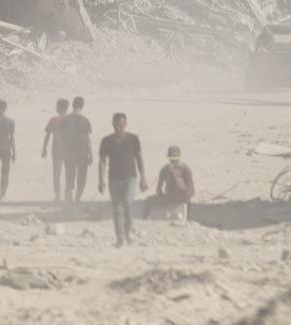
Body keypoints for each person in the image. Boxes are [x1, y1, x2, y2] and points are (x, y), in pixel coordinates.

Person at [98, 112, 146, 246]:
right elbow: (102, 161)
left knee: (127, 202)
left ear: (125, 124)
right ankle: (120, 238)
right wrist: (101, 180)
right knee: (117, 209)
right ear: (113, 125)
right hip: (113, 179)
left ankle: (129, 230)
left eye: (121, 125)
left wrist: (143, 178)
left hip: (130, 177)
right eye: (116, 125)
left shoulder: (133, 139)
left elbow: (139, 159)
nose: (119, 127)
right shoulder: (106, 141)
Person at [144, 146, 194, 221]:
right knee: (189, 203)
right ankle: (187, 218)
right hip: (183, 199)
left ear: (169, 158)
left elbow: (158, 190)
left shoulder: (165, 169)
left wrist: (163, 196)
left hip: (170, 197)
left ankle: (145, 218)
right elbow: (190, 189)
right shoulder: (186, 169)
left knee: (148, 200)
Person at [61, 96, 94, 202]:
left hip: (69, 151)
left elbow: (62, 138)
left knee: (69, 173)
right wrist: (91, 154)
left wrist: (63, 151)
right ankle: (78, 198)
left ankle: (69, 194)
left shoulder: (65, 120)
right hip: (83, 151)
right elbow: (88, 139)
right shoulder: (85, 121)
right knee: (82, 175)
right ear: (82, 106)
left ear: (72, 105)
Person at [41, 98, 69, 201]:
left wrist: (44, 149)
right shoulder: (70, 119)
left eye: (57, 106)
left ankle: (57, 196)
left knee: (56, 175)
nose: (56, 108)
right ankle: (68, 195)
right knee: (69, 173)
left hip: (57, 150)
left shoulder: (53, 120)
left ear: (60, 107)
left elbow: (48, 136)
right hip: (69, 151)